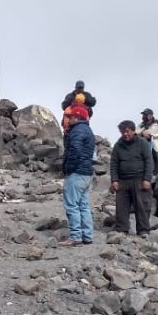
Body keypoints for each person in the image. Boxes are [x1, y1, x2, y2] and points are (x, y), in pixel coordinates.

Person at [59, 105, 95, 246]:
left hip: (76, 173)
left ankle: (75, 236)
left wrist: (70, 167)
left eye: (71, 117)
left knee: (72, 205)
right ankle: (87, 235)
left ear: (77, 117)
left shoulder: (76, 131)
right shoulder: (88, 130)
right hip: (87, 173)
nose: (69, 119)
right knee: (84, 205)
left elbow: (75, 150)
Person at [110, 120, 153, 238]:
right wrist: (114, 180)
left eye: (127, 131)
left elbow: (149, 161)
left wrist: (147, 179)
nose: (125, 134)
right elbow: (113, 163)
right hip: (123, 180)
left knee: (142, 206)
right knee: (121, 207)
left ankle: (143, 230)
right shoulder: (118, 145)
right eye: (122, 132)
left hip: (139, 179)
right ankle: (122, 229)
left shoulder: (142, 143)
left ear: (133, 131)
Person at [138, 108, 158, 175]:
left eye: (145, 115)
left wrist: (142, 133)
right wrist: (142, 133)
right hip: (143, 148)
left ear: (150, 116)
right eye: (143, 115)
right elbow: (136, 132)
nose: (143, 116)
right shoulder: (141, 125)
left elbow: (149, 133)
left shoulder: (156, 124)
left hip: (155, 149)